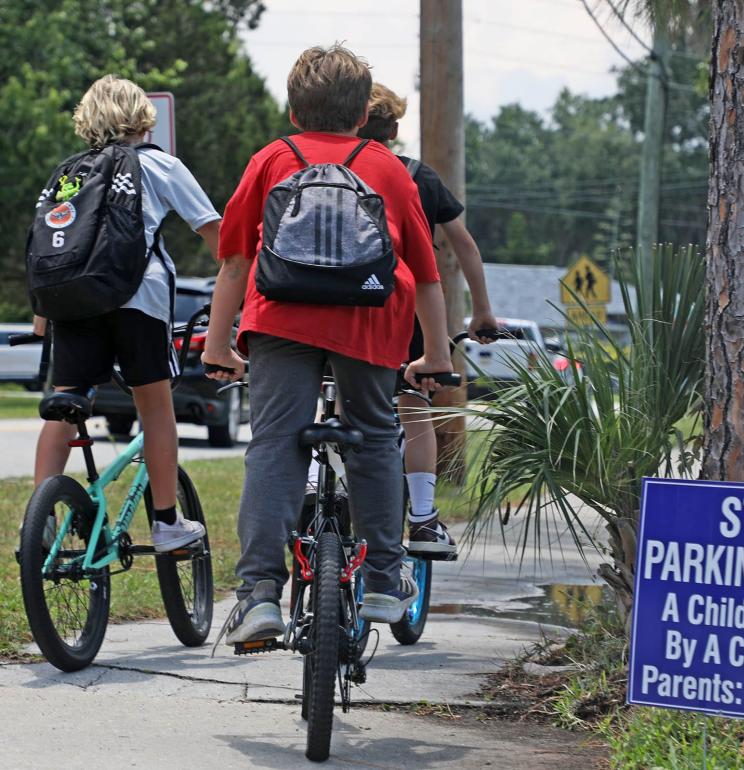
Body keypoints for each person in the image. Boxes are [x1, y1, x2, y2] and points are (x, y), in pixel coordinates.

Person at [202, 45, 453, 642]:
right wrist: (436, 354)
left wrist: (218, 346)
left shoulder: (271, 159)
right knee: (371, 443)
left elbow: (236, 263)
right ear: (363, 115)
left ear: (294, 111)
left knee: (274, 447)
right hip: (369, 326)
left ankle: (261, 593)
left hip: (280, 324)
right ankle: (387, 584)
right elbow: (424, 272)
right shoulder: (388, 169)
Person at [32, 75, 221, 552]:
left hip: (72, 305)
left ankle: (39, 521)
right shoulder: (161, 165)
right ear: (143, 117)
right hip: (139, 299)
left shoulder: (70, 173)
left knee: (66, 399)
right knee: (155, 407)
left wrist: (42, 318)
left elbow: (49, 247)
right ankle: (166, 524)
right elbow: (218, 236)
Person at [358, 83, 497, 557]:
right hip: (407, 310)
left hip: (342, 310)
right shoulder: (416, 175)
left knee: (334, 404)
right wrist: (481, 311)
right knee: (414, 414)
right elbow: (464, 244)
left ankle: (318, 493)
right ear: (394, 129)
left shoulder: (333, 169)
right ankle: (421, 518)